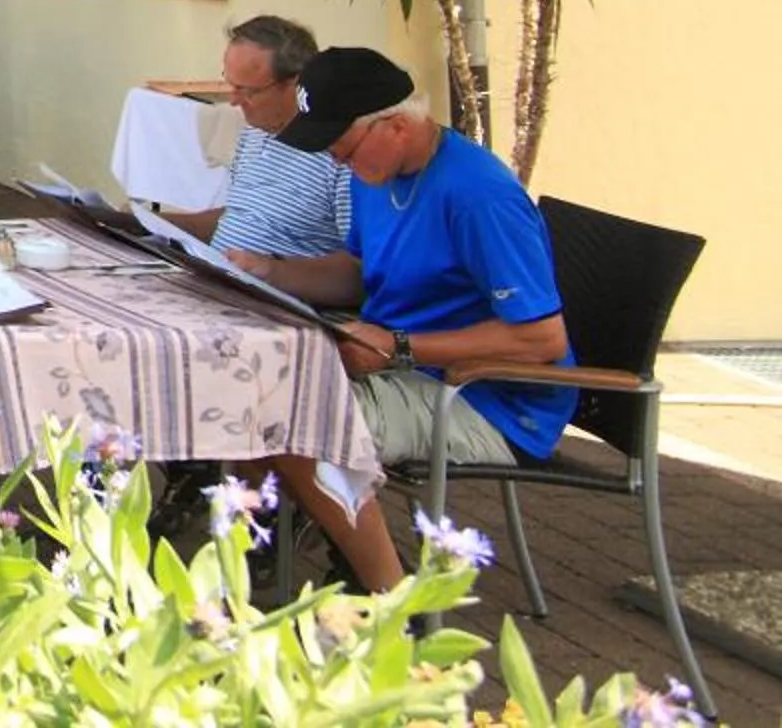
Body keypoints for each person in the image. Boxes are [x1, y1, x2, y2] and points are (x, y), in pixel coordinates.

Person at [226, 46, 575, 592]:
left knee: (290, 420)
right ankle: (326, 542)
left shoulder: (477, 195)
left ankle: (390, 596)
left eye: (342, 147)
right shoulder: (379, 171)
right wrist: (268, 273)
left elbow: (541, 338)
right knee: (235, 387)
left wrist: (398, 345)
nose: (337, 162)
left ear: (396, 125)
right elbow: (360, 274)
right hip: (404, 368)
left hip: (488, 399)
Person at [159, 14, 351, 260]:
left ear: (296, 84)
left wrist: (272, 272)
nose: (233, 101)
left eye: (247, 90)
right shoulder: (255, 132)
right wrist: (153, 224)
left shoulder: (341, 153)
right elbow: (243, 215)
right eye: (231, 85)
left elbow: (357, 267)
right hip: (218, 277)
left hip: (270, 294)